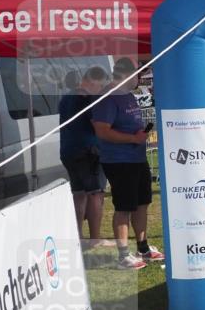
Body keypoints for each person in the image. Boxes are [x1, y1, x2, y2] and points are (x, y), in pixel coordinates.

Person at [92, 58, 163, 269]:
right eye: (138, 75)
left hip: (137, 158)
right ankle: (123, 255)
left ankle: (143, 248)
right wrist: (132, 138)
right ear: (126, 75)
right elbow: (102, 131)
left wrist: (139, 134)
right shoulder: (108, 98)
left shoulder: (128, 95)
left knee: (142, 203)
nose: (139, 79)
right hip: (119, 161)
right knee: (124, 207)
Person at [59, 66, 111, 247]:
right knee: (96, 193)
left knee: (79, 194)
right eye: (100, 85)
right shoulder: (88, 99)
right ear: (90, 81)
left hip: (68, 151)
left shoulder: (66, 97)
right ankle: (95, 238)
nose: (101, 89)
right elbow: (98, 126)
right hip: (88, 151)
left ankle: (79, 235)